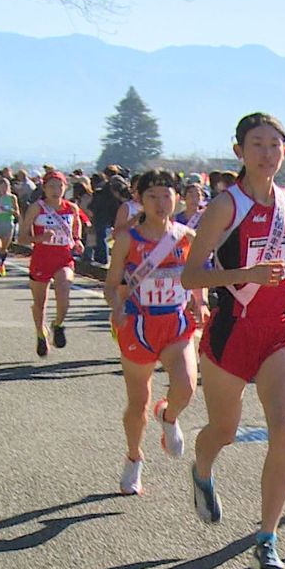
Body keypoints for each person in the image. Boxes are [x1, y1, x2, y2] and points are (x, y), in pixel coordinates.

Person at [180, 113, 285, 569]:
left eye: (275, 144)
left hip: (279, 329)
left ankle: (267, 537)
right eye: (257, 144)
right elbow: (191, 274)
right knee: (223, 430)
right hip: (232, 329)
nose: (267, 153)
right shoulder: (226, 206)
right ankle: (202, 468)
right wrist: (244, 276)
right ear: (240, 152)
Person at [104, 169, 204, 495]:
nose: (161, 203)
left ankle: (169, 416)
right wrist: (116, 307)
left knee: (187, 386)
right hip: (138, 326)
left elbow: (197, 274)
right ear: (140, 200)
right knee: (138, 403)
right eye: (152, 197)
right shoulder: (126, 240)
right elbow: (112, 284)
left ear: (177, 197)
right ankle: (134, 458)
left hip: (175, 324)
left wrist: (200, 303)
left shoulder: (186, 237)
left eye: (166, 195)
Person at [19, 171, 84, 357]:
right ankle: (41, 333)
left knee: (64, 292)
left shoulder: (71, 208)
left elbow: (76, 227)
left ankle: (58, 324)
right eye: (51, 187)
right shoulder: (36, 208)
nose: (56, 191)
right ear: (44, 188)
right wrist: (40, 237)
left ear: (66, 188)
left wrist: (77, 240)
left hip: (63, 258)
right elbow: (22, 238)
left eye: (60, 186)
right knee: (40, 303)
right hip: (41, 259)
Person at [0, 177, 21, 276]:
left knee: (4, 248)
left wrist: (8, 210)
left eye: (6, 186)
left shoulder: (12, 198)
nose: (4, 188)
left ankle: (2, 264)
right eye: (2, 186)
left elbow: (17, 213)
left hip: (8, 223)